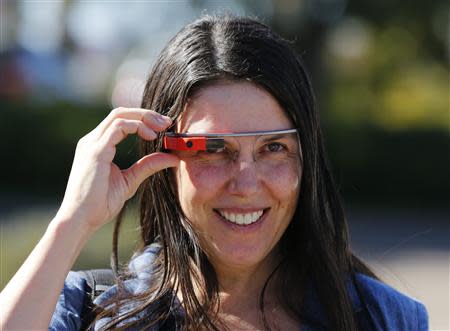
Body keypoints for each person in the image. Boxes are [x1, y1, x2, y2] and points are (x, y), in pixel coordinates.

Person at [0, 15, 428, 331]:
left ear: (307, 162)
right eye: (211, 150)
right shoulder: (89, 310)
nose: (245, 182)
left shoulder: (384, 319)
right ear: (163, 161)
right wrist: (72, 220)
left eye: (273, 147)